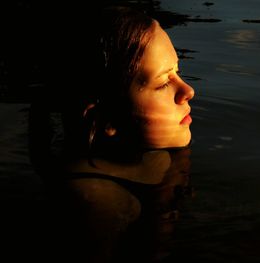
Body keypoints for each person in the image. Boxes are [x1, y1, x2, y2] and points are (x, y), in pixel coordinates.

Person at [28, 5, 195, 263]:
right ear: (106, 119)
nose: (188, 90)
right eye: (163, 83)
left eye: (178, 72)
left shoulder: (149, 152)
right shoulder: (96, 202)